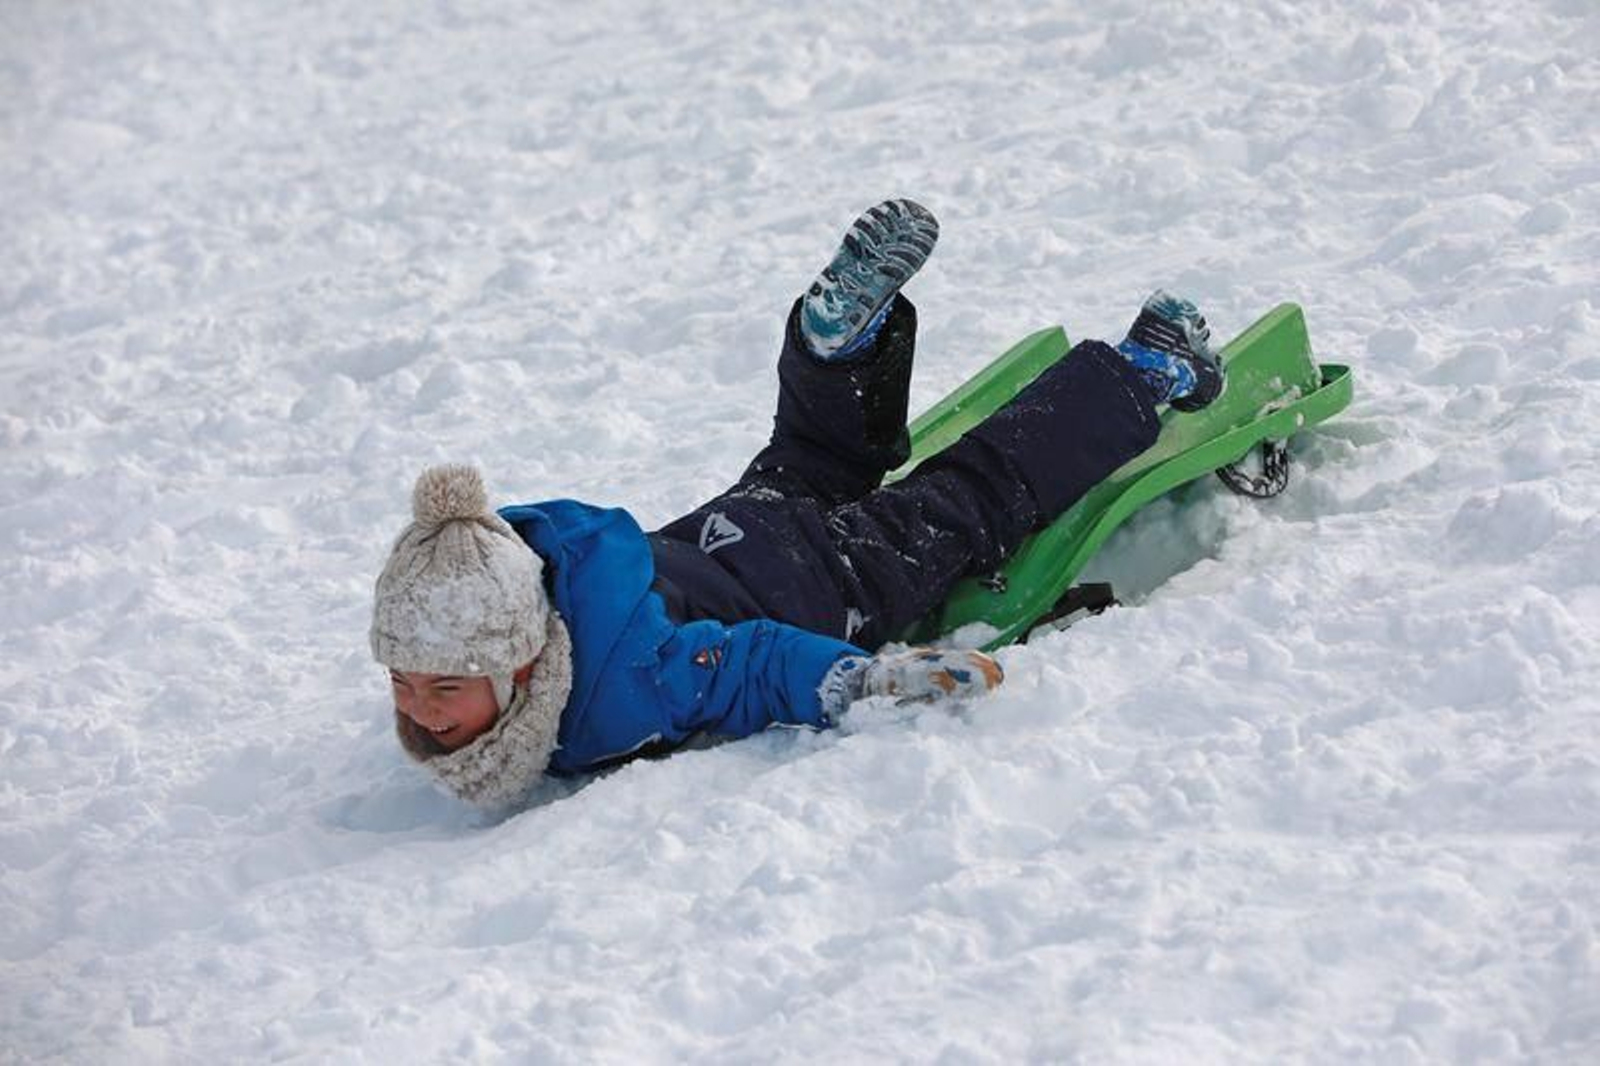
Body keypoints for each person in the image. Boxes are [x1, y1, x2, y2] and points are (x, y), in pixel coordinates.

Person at [370, 199, 1223, 807]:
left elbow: (753, 665)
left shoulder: (618, 688)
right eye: (404, 681)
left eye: (446, 683)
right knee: (804, 461)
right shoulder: (539, 576)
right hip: (721, 535)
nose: (419, 706)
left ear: (521, 665)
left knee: (970, 499)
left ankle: (1147, 367)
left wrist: (865, 679)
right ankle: (834, 354)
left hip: (818, 581)